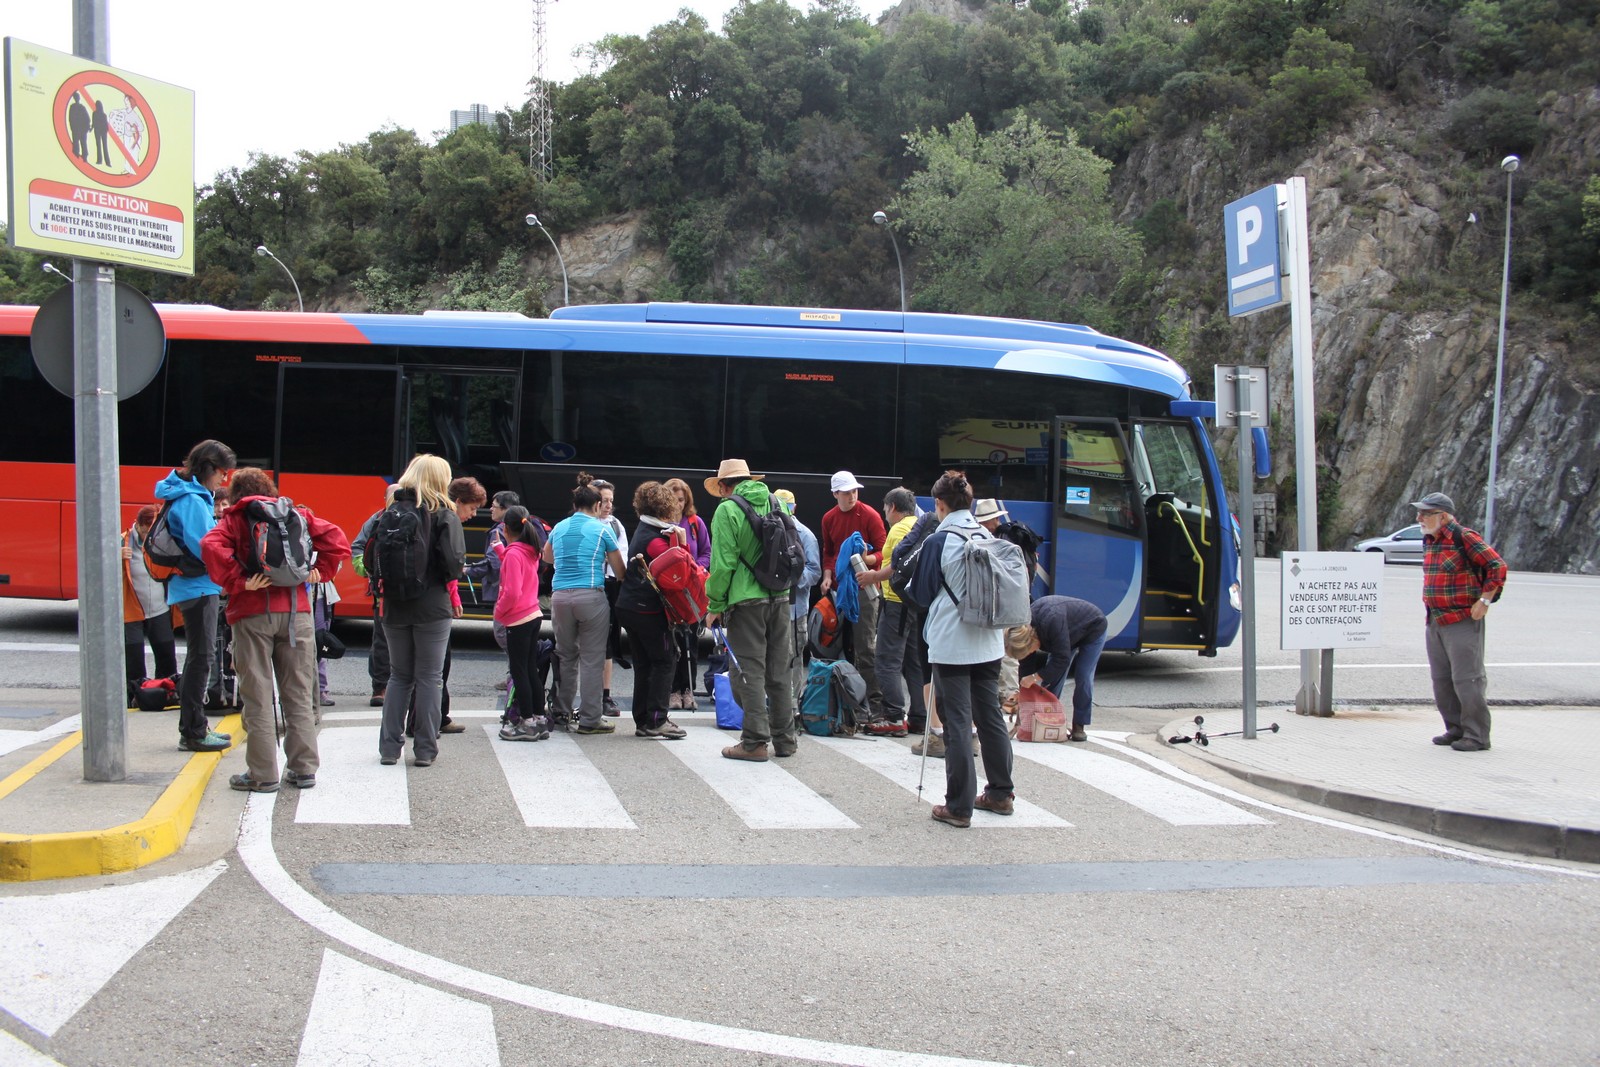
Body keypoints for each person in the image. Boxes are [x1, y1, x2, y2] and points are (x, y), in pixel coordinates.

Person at [201, 468, 350, 792]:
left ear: (237, 493)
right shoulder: (295, 514)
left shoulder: (236, 518)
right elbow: (337, 540)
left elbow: (210, 545)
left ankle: (263, 774)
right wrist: (319, 572)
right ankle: (304, 768)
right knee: (298, 693)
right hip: (297, 614)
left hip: (252, 614)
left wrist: (238, 581)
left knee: (257, 695)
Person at [913, 470, 1014, 828]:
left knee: (956, 722)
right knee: (989, 716)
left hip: (953, 644)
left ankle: (958, 806)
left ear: (939, 504)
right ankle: (1000, 793)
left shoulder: (939, 541)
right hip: (989, 642)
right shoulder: (985, 534)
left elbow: (921, 594)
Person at [705, 459, 799, 762]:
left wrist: (714, 605)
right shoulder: (777, 502)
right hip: (780, 596)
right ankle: (785, 741)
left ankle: (754, 742)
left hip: (746, 601)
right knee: (779, 671)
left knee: (748, 673)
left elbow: (723, 565)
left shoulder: (727, 510)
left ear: (723, 486)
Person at [375, 455, 465, 768]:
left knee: (399, 676)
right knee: (429, 678)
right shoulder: (444, 514)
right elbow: (453, 564)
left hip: (394, 605)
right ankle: (425, 750)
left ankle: (389, 749)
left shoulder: (390, 511)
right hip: (432, 605)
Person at [155, 439, 236, 753]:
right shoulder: (191, 499)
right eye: (222, 472)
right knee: (201, 658)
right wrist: (230, 573)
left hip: (197, 586)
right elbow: (205, 547)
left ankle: (194, 727)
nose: (224, 478)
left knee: (200, 657)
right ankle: (193, 731)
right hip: (198, 587)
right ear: (208, 467)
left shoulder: (192, 494)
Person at [1413, 491, 1507, 752]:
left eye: (1425, 513)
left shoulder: (1463, 536)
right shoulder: (1430, 540)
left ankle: (1477, 736)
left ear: (1443, 516)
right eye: (1419, 512)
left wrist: (1485, 600)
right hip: (1435, 619)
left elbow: (1497, 566)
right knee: (1442, 680)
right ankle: (1455, 729)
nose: (1419, 518)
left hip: (1462, 619)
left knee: (1468, 680)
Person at [544, 472, 626, 734]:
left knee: (566, 655)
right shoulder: (602, 529)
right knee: (592, 658)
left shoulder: (559, 527)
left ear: (574, 504)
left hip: (560, 597)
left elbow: (547, 557)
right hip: (591, 596)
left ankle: (561, 711)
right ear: (597, 505)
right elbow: (620, 571)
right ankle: (590, 719)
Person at [614, 481, 689, 740]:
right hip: (647, 610)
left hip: (629, 606)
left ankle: (643, 720)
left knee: (644, 664)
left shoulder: (644, 529)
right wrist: (682, 544)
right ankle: (657, 719)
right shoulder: (657, 540)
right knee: (665, 660)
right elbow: (680, 573)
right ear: (665, 507)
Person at [853, 487, 924, 736]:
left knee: (886, 660)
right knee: (913, 661)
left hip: (896, 601)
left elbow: (897, 566)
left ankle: (893, 716)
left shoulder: (899, 529)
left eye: (885, 508)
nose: (884, 512)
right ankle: (919, 716)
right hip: (914, 602)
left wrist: (873, 576)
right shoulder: (918, 526)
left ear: (893, 507)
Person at [819, 470, 887, 716]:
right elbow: (829, 551)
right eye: (846, 492)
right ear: (835, 494)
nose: (852, 496)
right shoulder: (829, 518)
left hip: (865, 588)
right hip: (839, 589)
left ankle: (874, 704)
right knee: (836, 644)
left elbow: (884, 551)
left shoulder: (870, 515)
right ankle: (846, 700)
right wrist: (827, 576)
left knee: (865, 646)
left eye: (854, 491)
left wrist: (865, 560)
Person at [1005, 596, 1108, 743]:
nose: (1029, 654)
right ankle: (1047, 718)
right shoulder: (1024, 633)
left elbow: (1062, 660)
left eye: (1029, 651)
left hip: (1093, 627)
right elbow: (1026, 668)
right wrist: (1024, 688)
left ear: (1032, 641)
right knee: (1051, 679)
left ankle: (1079, 725)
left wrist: (1035, 677)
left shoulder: (1052, 622)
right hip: (1066, 632)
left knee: (1083, 676)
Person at [494, 506, 550, 742]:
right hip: (533, 614)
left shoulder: (514, 554)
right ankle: (539, 719)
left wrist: (498, 612)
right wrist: (501, 551)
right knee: (530, 670)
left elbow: (512, 591)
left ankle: (526, 723)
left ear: (505, 529)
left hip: (517, 618)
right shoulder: (531, 550)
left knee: (519, 672)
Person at [121, 504, 178, 700]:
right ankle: (134, 695)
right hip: (132, 610)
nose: (148, 537)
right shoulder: (122, 542)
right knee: (134, 657)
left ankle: (167, 692)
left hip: (159, 608)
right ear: (137, 525)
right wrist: (115, 557)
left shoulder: (162, 539)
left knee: (166, 653)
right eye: (145, 532)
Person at [665, 477, 711, 711]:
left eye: (681, 500)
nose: (677, 504)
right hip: (669, 591)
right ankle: (673, 690)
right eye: (673, 499)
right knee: (672, 643)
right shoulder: (660, 523)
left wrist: (695, 570)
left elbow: (706, 553)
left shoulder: (695, 523)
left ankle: (688, 689)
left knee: (690, 642)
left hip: (691, 590)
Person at [771, 489, 821, 705]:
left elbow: (815, 572)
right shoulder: (769, 531)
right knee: (773, 657)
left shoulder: (805, 535)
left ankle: (793, 705)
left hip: (795, 610)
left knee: (794, 658)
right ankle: (775, 703)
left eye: (787, 506)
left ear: (794, 508)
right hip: (773, 608)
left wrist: (792, 579)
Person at [350, 484, 397, 708]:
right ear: (385, 498)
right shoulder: (377, 519)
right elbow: (358, 547)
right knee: (381, 640)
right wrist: (367, 571)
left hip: (407, 592)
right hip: (383, 593)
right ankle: (380, 687)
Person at [591, 477, 630, 716]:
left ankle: (605, 695)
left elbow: (622, 559)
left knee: (607, 639)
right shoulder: (582, 523)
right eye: (604, 500)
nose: (608, 505)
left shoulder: (615, 525)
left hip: (610, 584)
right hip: (588, 585)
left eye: (611, 501)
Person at [67, 91, 90, 160]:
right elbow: (71, 118)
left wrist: (86, 127)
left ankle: (83, 156)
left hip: (80, 129)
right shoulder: (74, 107)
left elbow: (87, 118)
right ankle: (77, 155)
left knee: (82, 143)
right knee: (77, 143)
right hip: (77, 129)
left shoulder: (80, 107)